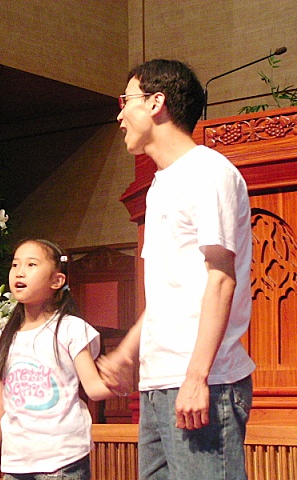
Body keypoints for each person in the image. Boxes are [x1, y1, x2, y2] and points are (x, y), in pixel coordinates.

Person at [97, 59, 255, 479]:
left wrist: (197, 377)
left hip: (204, 380)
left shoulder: (209, 172)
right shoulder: (160, 184)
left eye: (126, 101)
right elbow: (170, 293)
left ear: (156, 102)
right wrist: (127, 352)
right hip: (159, 380)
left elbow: (221, 278)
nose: (119, 116)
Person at [0, 239, 115, 480]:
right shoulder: (4, 336)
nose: (19, 272)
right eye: (15, 264)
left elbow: (93, 387)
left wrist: (118, 382)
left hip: (61, 458)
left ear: (57, 280)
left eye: (31, 264)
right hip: (16, 462)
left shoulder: (71, 328)